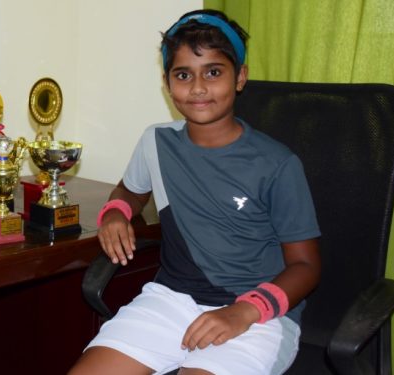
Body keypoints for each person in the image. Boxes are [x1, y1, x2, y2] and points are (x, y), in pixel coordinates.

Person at [69, 9, 321, 375]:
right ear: (167, 83)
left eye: (213, 72)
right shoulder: (155, 141)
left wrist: (243, 312)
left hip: (255, 315)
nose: (198, 87)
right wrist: (115, 213)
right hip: (171, 301)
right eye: (183, 75)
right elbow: (130, 191)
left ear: (240, 78)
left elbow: (307, 266)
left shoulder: (277, 164)